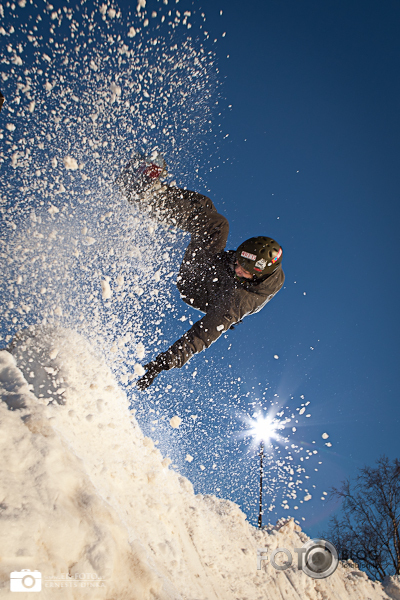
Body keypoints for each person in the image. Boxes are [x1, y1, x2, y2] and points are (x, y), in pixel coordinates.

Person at [117, 153, 285, 390]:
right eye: (237, 260)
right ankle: (153, 195)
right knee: (209, 214)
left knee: (217, 227)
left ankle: (146, 196)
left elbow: (202, 335)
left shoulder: (235, 303)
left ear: (257, 276)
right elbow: (235, 262)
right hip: (213, 272)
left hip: (196, 286)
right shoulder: (247, 264)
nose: (237, 267)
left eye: (244, 271)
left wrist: (162, 363)